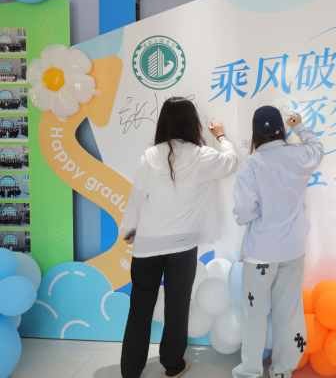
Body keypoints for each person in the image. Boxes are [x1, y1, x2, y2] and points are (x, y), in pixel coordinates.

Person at [118, 97, 239, 378]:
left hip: (148, 244)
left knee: (140, 307)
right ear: (192, 122)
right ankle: (173, 365)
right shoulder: (203, 155)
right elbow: (232, 162)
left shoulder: (149, 155)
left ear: (163, 122)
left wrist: (129, 230)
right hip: (183, 246)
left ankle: (130, 371)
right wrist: (221, 136)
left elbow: (137, 198)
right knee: (177, 305)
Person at [232, 107, 324, 378]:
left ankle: (249, 372)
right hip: (292, 250)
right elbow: (318, 149)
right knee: (289, 313)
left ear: (254, 133)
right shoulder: (300, 155)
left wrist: (262, 211)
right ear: (281, 130)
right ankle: (283, 371)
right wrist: (300, 127)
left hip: (260, 252)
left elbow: (243, 213)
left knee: (255, 315)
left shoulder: (250, 164)